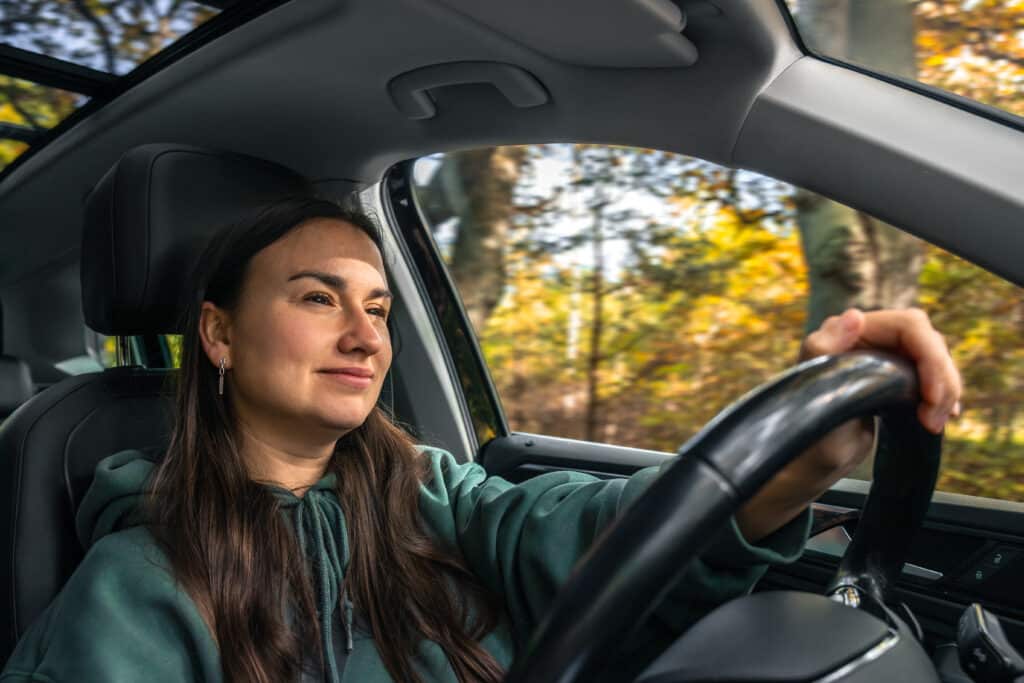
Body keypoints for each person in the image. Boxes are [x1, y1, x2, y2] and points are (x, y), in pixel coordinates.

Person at [1, 197, 961, 683]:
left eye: (378, 307)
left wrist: (799, 458)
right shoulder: (136, 584)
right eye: (316, 297)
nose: (367, 334)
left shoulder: (434, 492)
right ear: (217, 333)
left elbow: (598, 531)